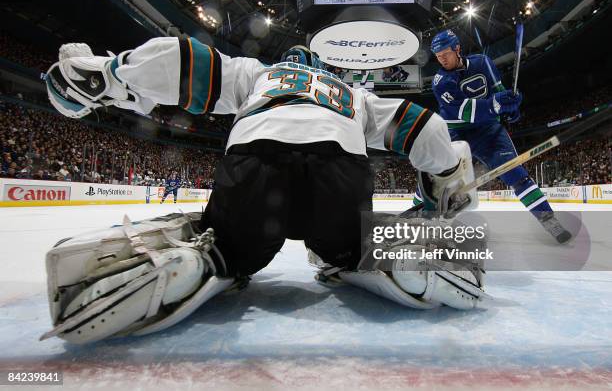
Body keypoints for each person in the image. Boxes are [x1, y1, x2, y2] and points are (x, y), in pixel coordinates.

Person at [42, 39, 486, 343]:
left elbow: (188, 62)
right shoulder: (353, 94)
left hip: (257, 160)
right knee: (348, 245)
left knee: (230, 246)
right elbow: (424, 126)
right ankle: (388, 255)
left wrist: (113, 74)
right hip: (340, 170)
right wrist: (446, 175)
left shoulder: (258, 74)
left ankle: (201, 259)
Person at [425, 29, 571, 243]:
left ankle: (550, 221)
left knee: (517, 175)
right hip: (455, 134)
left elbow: (498, 90)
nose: (441, 59)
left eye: (445, 53)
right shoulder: (440, 81)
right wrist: (496, 106)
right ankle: (421, 218)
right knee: (437, 180)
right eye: (437, 56)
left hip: (488, 131)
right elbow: (465, 112)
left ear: (457, 48)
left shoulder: (483, 63)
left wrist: (511, 106)